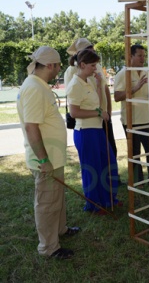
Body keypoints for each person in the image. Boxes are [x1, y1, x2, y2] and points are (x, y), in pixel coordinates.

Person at [17, 46, 79, 260]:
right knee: (47, 202)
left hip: (53, 157)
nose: (59, 69)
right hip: (46, 160)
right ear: (50, 65)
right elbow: (31, 127)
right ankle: (49, 247)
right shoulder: (34, 87)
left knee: (56, 199)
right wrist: (43, 160)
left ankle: (60, 230)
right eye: (59, 65)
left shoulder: (38, 85)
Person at [66, 49, 121, 214]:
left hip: (97, 129)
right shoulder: (75, 84)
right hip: (85, 131)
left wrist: (98, 85)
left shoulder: (88, 80)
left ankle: (108, 198)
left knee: (107, 163)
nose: (95, 68)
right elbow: (74, 113)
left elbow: (96, 101)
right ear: (82, 65)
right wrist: (98, 113)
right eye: (92, 65)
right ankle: (94, 204)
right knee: (92, 169)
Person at [114, 44, 149, 183]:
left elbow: (145, 93)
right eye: (140, 55)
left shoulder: (146, 72)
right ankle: (138, 181)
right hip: (131, 121)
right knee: (135, 153)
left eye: (144, 55)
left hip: (146, 119)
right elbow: (117, 97)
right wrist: (135, 88)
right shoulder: (123, 74)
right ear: (131, 56)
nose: (143, 58)